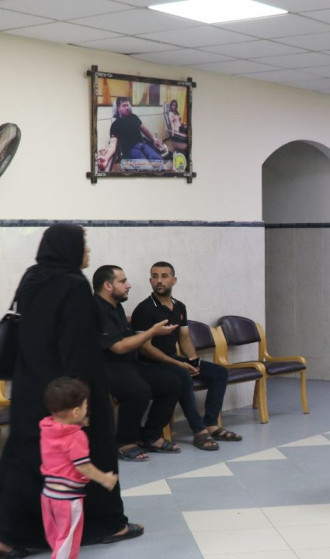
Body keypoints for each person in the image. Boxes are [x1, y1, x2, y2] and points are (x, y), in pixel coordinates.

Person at [0, 225, 140, 557]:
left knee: (26, 459)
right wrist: (82, 403)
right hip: (66, 393)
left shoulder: (33, 276)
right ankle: (109, 524)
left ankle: (8, 535)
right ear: (68, 248)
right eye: (83, 245)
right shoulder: (74, 284)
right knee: (92, 451)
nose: (87, 251)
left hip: (29, 389)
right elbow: (76, 348)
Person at [130, 262, 241, 450]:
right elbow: (145, 348)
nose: (159, 280)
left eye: (164, 276)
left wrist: (193, 360)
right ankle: (199, 431)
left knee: (219, 373)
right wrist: (178, 364)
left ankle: (211, 424)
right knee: (182, 374)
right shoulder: (144, 309)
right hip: (151, 363)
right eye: (155, 276)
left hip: (173, 359)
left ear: (174, 280)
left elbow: (184, 337)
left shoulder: (179, 307)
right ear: (150, 281)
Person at [93, 265, 183, 459]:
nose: (129, 285)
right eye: (123, 281)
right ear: (108, 286)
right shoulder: (95, 309)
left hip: (128, 365)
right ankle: (124, 442)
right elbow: (118, 347)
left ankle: (151, 436)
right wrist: (152, 332)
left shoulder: (115, 306)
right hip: (103, 369)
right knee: (138, 390)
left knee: (172, 382)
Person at [40, 377, 119, 559]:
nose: (86, 410)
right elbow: (83, 466)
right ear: (76, 411)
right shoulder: (76, 437)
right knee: (68, 540)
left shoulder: (48, 427)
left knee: (57, 537)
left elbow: (61, 444)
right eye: (85, 407)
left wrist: (77, 422)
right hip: (68, 499)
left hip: (48, 494)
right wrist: (105, 479)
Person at [109, 97, 163, 162]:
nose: (127, 108)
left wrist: (153, 140)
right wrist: (106, 157)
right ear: (118, 108)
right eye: (124, 106)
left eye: (127, 105)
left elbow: (144, 130)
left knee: (159, 160)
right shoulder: (116, 124)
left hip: (142, 144)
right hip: (131, 150)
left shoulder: (134, 117)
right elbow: (113, 144)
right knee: (146, 165)